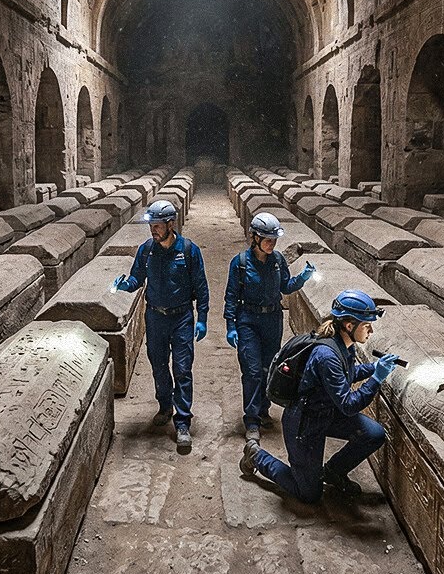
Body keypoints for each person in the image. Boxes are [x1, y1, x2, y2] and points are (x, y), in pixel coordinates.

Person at [239, 289, 400, 503]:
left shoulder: (345, 345)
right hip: (304, 423)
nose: (370, 331)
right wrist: (377, 378)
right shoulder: (327, 356)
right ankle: (256, 456)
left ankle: (333, 472)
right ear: (349, 326)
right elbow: (348, 405)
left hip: (326, 412)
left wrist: (374, 367)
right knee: (309, 494)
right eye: (367, 325)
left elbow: (346, 375)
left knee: (374, 434)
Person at [113, 199, 210, 453]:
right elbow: (137, 278)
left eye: (157, 226)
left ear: (170, 224)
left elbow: (201, 287)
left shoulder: (188, 250)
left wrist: (203, 318)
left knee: (182, 368)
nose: (153, 230)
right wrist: (126, 284)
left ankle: (183, 421)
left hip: (181, 318)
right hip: (155, 317)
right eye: (151, 226)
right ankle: (165, 405)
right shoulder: (147, 250)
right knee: (158, 365)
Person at [223, 212, 315, 442]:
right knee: (252, 371)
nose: (271, 244)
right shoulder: (241, 263)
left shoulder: (278, 261)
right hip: (248, 321)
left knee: (268, 368)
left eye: (273, 240)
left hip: (272, 319)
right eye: (266, 239)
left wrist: (302, 278)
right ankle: (252, 419)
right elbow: (231, 296)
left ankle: (263, 409)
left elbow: (285, 287)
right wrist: (230, 325)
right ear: (254, 237)